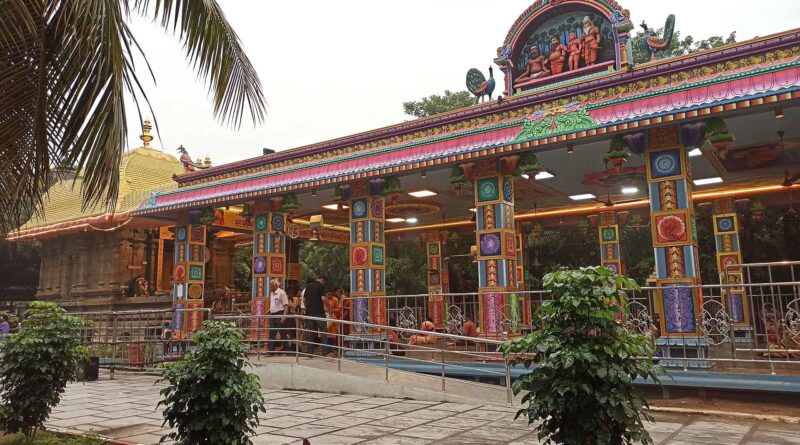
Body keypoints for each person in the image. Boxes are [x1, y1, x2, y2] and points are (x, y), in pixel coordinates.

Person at [302, 275, 329, 355]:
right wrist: (328, 306)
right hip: (319, 313)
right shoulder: (321, 286)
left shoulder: (308, 286)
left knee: (310, 333)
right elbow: (323, 299)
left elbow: (304, 299)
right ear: (322, 280)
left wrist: (308, 307)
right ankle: (324, 352)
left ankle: (310, 352)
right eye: (324, 282)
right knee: (323, 333)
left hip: (309, 314)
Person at [268, 279, 289, 354]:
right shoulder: (271, 293)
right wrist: (268, 311)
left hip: (280, 314)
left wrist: (284, 316)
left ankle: (287, 350)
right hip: (272, 315)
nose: (270, 288)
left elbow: (286, 305)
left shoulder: (282, 293)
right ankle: (270, 351)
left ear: (276, 285)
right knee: (272, 333)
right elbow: (273, 305)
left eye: (271, 286)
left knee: (283, 333)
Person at [324, 293, 342, 357]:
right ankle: (327, 351)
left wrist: (332, 310)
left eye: (330, 294)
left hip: (332, 319)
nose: (329, 296)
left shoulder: (335, 300)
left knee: (332, 336)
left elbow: (338, 309)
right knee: (326, 335)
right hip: (325, 318)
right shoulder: (324, 299)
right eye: (327, 294)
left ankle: (330, 351)